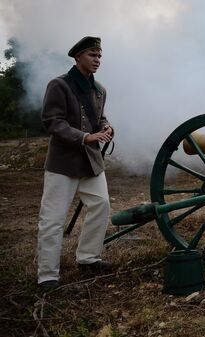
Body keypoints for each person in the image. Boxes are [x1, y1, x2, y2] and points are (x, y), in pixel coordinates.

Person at [37, 36, 114, 290]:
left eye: (100, 56)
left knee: (101, 206)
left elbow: (99, 118)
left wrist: (105, 128)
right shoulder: (59, 85)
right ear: (77, 56)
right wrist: (84, 137)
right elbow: (52, 121)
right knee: (53, 219)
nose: (97, 60)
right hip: (63, 162)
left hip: (90, 161)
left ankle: (88, 258)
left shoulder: (100, 89)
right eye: (92, 55)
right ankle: (47, 274)